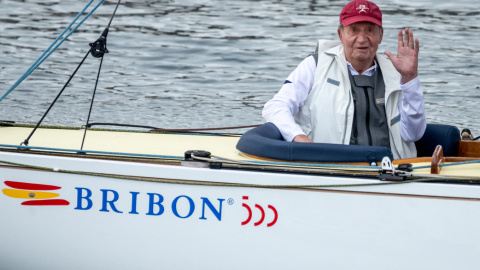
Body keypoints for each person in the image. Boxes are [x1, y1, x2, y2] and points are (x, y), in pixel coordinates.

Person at [262, 0, 426, 159]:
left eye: (369, 30)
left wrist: (410, 78)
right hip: (329, 170)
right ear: (341, 35)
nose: (362, 39)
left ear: (380, 35)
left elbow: (414, 134)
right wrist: (299, 138)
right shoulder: (315, 65)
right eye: (354, 30)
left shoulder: (398, 74)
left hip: (391, 175)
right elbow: (275, 107)